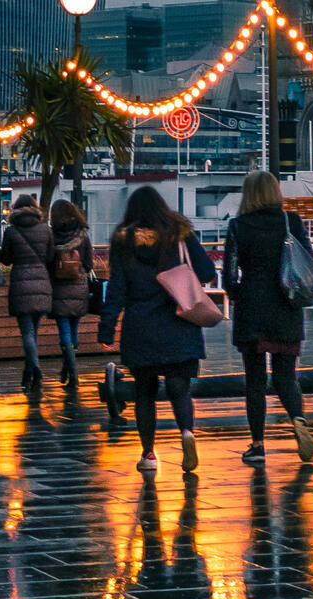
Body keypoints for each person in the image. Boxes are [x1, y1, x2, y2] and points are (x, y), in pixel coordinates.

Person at [97, 186, 215, 472]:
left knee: (144, 393)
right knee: (179, 387)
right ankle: (187, 431)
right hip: (179, 323)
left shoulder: (124, 241)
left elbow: (117, 290)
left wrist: (107, 328)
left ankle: (149, 454)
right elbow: (208, 272)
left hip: (141, 326)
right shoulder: (180, 234)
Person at [223, 170, 313, 463]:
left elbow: (229, 273)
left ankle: (258, 445)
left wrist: (238, 294)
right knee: (286, 376)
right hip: (286, 307)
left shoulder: (238, 226)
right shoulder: (292, 222)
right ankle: (298, 418)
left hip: (252, 308)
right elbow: (308, 262)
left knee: (255, 381)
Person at [0, 195, 55, 391]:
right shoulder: (46, 230)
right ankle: (29, 373)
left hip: (21, 283)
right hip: (42, 283)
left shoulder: (12, 232)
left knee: (27, 333)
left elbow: (6, 259)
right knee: (33, 332)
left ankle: (35, 370)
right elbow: (50, 257)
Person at [47, 199, 94, 387]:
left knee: (64, 326)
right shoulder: (82, 235)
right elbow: (89, 263)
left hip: (58, 286)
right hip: (79, 284)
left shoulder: (51, 236)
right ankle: (69, 367)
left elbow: (48, 260)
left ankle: (71, 371)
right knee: (74, 324)